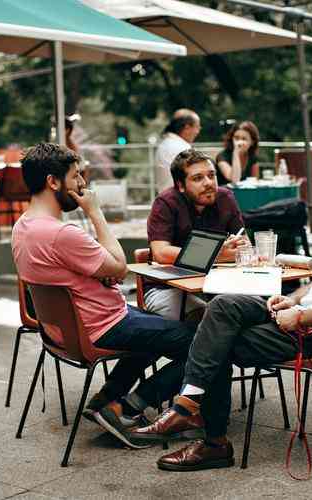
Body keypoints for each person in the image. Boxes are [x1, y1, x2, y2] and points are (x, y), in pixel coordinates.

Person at [131, 156, 312, 472]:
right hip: (301, 318)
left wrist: (302, 318)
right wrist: (292, 300)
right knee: (223, 305)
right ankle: (188, 404)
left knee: (217, 338)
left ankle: (212, 441)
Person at [12, 142, 198, 450]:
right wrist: (96, 213)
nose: (83, 184)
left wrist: (105, 271)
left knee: (157, 326)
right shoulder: (62, 234)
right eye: (76, 176)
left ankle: (106, 397)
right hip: (103, 325)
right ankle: (126, 409)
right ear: (53, 182)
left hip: (71, 330)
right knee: (201, 342)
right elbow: (119, 266)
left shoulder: (23, 227)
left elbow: (102, 270)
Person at [145, 148, 247, 321]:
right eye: (198, 178)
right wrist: (215, 254)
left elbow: (244, 248)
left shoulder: (226, 197)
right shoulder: (165, 203)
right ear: (181, 185)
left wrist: (224, 253)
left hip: (217, 285)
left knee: (253, 310)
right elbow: (161, 253)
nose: (208, 182)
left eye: (211, 175)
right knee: (207, 319)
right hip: (169, 288)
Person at [155, 109, 201, 191]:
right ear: (187, 128)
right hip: (178, 200)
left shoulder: (166, 143)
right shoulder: (182, 148)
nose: (198, 132)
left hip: (166, 197)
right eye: (197, 127)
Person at [215, 121, 260, 185]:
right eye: (236, 138)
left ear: (252, 142)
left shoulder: (252, 157)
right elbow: (234, 180)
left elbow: (255, 182)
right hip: (225, 193)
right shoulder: (222, 156)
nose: (239, 142)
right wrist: (236, 153)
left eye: (244, 139)